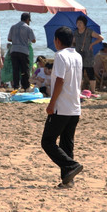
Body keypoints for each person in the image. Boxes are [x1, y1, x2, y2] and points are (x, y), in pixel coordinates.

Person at [41, 26, 84, 188]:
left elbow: (59, 81)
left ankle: (71, 166)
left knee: (47, 141)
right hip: (74, 105)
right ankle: (68, 180)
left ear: (57, 41)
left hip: (62, 106)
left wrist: (51, 104)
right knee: (66, 144)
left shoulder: (60, 56)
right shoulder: (77, 56)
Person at [73, 14, 103, 94]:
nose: (79, 24)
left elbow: (101, 38)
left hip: (88, 55)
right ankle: (78, 90)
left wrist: (92, 44)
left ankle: (93, 91)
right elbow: (73, 42)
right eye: (78, 22)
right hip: (78, 54)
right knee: (79, 73)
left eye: (80, 23)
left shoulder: (89, 31)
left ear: (84, 24)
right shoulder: (75, 32)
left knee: (90, 72)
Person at [8, 13, 36, 91]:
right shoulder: (28, 28)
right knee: (25, 69)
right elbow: (33, 40)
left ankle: (16, 87)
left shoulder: (13, 27)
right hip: (23, 51)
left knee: (15, 69)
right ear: (27, 20)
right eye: (29, 20)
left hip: (14, 50)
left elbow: (9, 39)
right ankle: (26, 86)